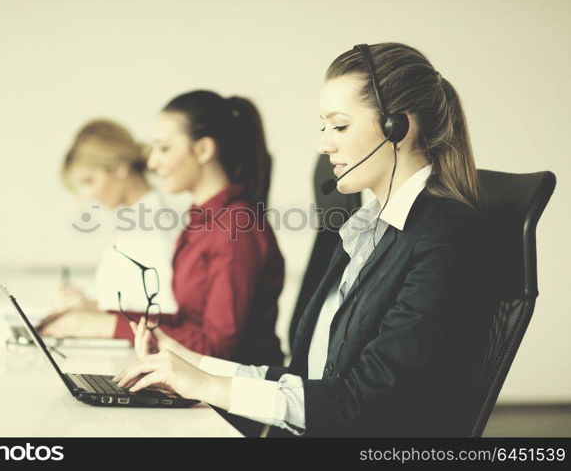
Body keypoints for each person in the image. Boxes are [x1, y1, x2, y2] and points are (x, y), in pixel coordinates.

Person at [113, 43, 494, 437]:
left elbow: (362, 402)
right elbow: (305, 378)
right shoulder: (368, 228)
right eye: (323, 126)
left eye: (340, 126)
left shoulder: (443, 237)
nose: (323, 144)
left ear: (398, 126)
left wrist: (208, 385)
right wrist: (188, 362)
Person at [108, 90, 285, 368]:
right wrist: (114, 321)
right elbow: (188, 322)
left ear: (203, 150)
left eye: (164, 148)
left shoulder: (234, 228)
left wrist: (113, 327)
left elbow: (215, 348)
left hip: (231, 397)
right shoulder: (204, 220)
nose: (152, 163)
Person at [38, 119, 179, 337]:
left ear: (119, 169)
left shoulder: (153, 228)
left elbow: (164, 317)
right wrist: (88, 305)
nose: (89, 194)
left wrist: (87, 317)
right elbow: (133, 306)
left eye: (90, 181)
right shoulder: (135, 220)